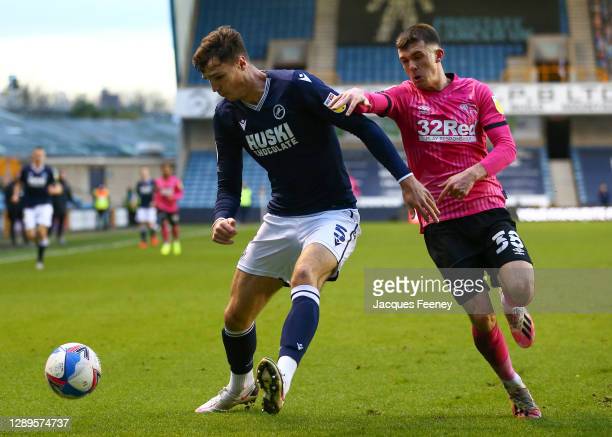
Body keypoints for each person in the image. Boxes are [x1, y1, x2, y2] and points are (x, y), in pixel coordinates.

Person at [191, 26, 436, 415]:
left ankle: (283, 376)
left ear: (241, 63)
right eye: (209, 81)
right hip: (281, 217)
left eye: (218, 78)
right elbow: (228, 182)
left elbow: (363, 125)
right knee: (235, 315)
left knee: (306, 275)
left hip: (332, 213)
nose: (215, 88)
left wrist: (405, 179)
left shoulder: (298, 86)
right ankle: (240, 386)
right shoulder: (226, 115)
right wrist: (223, 216)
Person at [329, 23, 541, 419]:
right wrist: (359, 96)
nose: (412, 67)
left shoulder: (476, 92)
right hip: (440, 225)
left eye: (418, 58)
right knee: (480, 316)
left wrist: (474, 173)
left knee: (522, 285)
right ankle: (515, 386)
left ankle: (514, 305)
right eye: (405, 61)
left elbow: (507, 147)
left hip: (487, 208)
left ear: (438, 56)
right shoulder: (405, 97)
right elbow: (376, 102)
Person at [13, 148, 62, 269]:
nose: (38, 157)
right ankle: (42, 242)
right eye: (36, 155)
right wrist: (15, 194)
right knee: (30, 235)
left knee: (41, 230)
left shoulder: (49, 171)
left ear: (44, 157)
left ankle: (40, 260)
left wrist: (55, 190)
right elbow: (19, 184)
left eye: (41, 155)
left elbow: (59, 187)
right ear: (32, 156)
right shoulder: (26, 170)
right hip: (29, 205)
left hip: (45, 204)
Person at [154, 163, 183, 255]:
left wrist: (173, 197)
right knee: (163, 224)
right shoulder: (158, 181)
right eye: (164, 169)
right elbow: (157, 194)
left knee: (174, 226)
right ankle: (166, 243)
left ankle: (176, 242)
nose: (166, 171)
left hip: (173, 208)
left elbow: (180, 193)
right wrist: (156, 203)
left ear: (170, 170)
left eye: (167, 169)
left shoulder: (176, 181)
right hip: (162, 207)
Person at [135, 167, 159, 248]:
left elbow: (157, 192)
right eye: (142, 173)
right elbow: (137, 194)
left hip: (150, 206)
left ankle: (153, 237)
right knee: (142, 223)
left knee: (150, 223)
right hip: (142, 206)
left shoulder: (153, 182)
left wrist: (155, 201)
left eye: (145, 173)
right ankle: (143, 241)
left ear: (148, 173)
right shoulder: (139, 184)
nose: (143, 174)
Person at [51, 169, 73, 245]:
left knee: (61, 222)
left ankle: (60, 236)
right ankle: (47, 236)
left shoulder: (66, 184)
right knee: (51, 222)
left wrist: (70, 202)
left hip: (63, 206)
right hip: (54, 206)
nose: (63, 176)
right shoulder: (55, 183)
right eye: (62, 174)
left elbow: (69, 195)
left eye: (64, 174)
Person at [3, 175, 27, 246]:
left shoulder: (23, 186)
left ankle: (25, 239)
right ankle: (13, 240)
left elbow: (24, 197)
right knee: (12, 224)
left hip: (21, 208)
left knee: (23, 224)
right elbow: (6, 198)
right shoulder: (10, 186)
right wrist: (10, 203)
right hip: (12, 209)